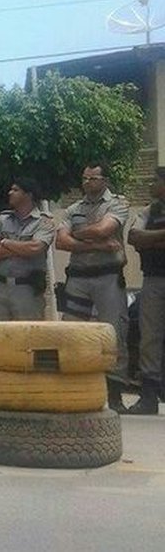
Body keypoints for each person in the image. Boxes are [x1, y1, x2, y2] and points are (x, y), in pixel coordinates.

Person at [56, 162, 132, 412]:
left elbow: (104, 229)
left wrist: (77, 234)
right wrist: (97, 245)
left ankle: (115, 392)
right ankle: (74, 389)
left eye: (93, 178)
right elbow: (61, 242)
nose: (87, 182)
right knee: (72, 332)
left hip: (107, 277)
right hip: (78, 278)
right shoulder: (73, 208)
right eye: (84, 178)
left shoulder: (117, 204)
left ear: (105, 180)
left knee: (112, 333)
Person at [0, 178, 55, 321]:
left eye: (15, 190)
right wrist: (21, 248)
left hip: (27, 289)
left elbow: (35, 248)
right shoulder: (3, 219)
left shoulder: (44, 222)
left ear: (28, 195)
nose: (10, 193)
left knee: (27, 336)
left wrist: (5, 242)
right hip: (0, 287)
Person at [128, 167, 165, 415]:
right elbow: (133, 237)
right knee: (149, 336)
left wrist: (149, 239)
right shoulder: (149, 210)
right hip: (152, 278)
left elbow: (143, 238)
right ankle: (149, 396)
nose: (152, 185)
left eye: (156, 181)